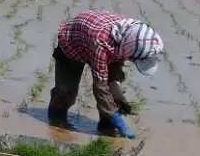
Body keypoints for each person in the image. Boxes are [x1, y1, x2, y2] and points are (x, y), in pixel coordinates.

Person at [47, 9, 163, 139]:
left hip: (103, 45)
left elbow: (114, 70)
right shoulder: (101, 42)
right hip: (73, 44)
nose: (131, 60)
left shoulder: (131, 36)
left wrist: (118, 95)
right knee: (66, 91)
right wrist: (119, 121)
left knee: (113, 94)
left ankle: (107, 129)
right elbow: (100, 86)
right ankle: (56, 122)